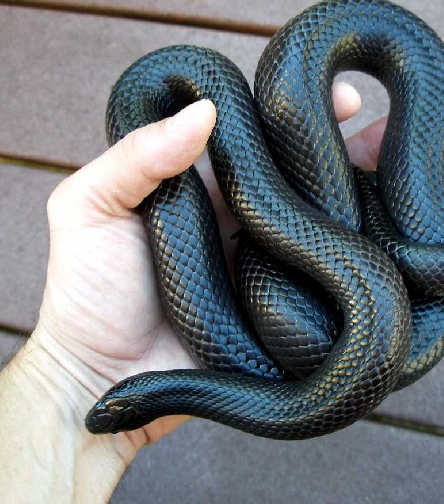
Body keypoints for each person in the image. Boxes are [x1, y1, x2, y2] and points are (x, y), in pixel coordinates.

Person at [0, 83, 387, 501]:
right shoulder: (267, 356)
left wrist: (65, 370)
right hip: (355, 300)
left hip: (345, 291)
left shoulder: (143, 91)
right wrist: (67, 371)